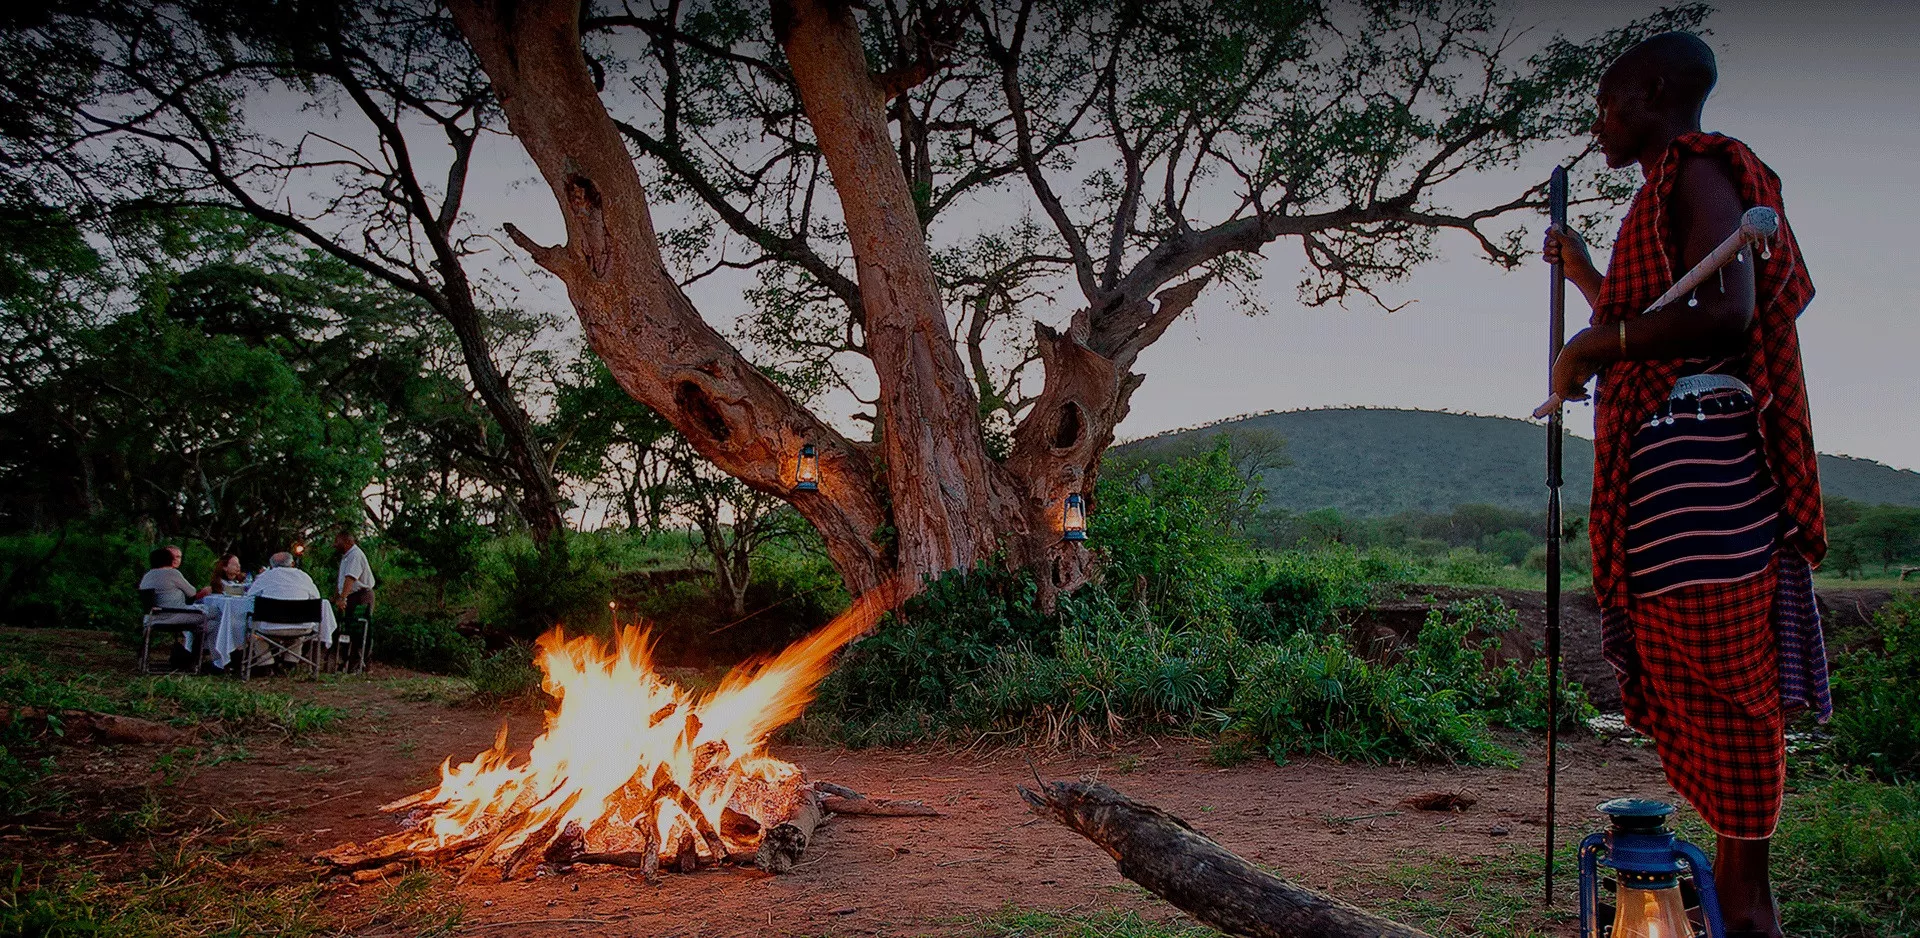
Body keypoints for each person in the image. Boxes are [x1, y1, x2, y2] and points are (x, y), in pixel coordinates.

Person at [1539, 33, 1825, 938]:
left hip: (1698, 458)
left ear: (1657, 92)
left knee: (1728, 689)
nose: (1600, 124)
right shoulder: (1660, 194)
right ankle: (1740, 897)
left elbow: (1724, 313)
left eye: (1610, 105)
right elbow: (1660, 318)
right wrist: (1587, 278)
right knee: (1700, 681)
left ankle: (1746, 906)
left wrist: (1594, 344)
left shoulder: (1700, 167)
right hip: (1671, 461)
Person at [137, 545, 213, 668]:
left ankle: (193, 657)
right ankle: (199, 659)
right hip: (172, 616)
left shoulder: (148, 575)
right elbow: (192, 592)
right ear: (169, 559)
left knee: (210, 624)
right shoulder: (172, 573)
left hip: (152, 618)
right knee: (214, 614)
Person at [332, 530, 376, 617]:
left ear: (347, 542)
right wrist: (336, 596)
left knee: (357, 623)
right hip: (351, 597)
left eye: (337, 542)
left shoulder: (355, 555)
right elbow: (341, 580)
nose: (335, 545)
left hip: (360, 596)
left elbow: (350, 578)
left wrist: (342, 598)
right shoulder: (346, 557)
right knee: (348, 622)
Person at [249, 552, 322, 601]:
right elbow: (316, 598)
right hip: (300, 619)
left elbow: (250, 596)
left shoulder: (265, 576)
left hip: (270, 619)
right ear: (292, 563)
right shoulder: (303, 576)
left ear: (271, 565)